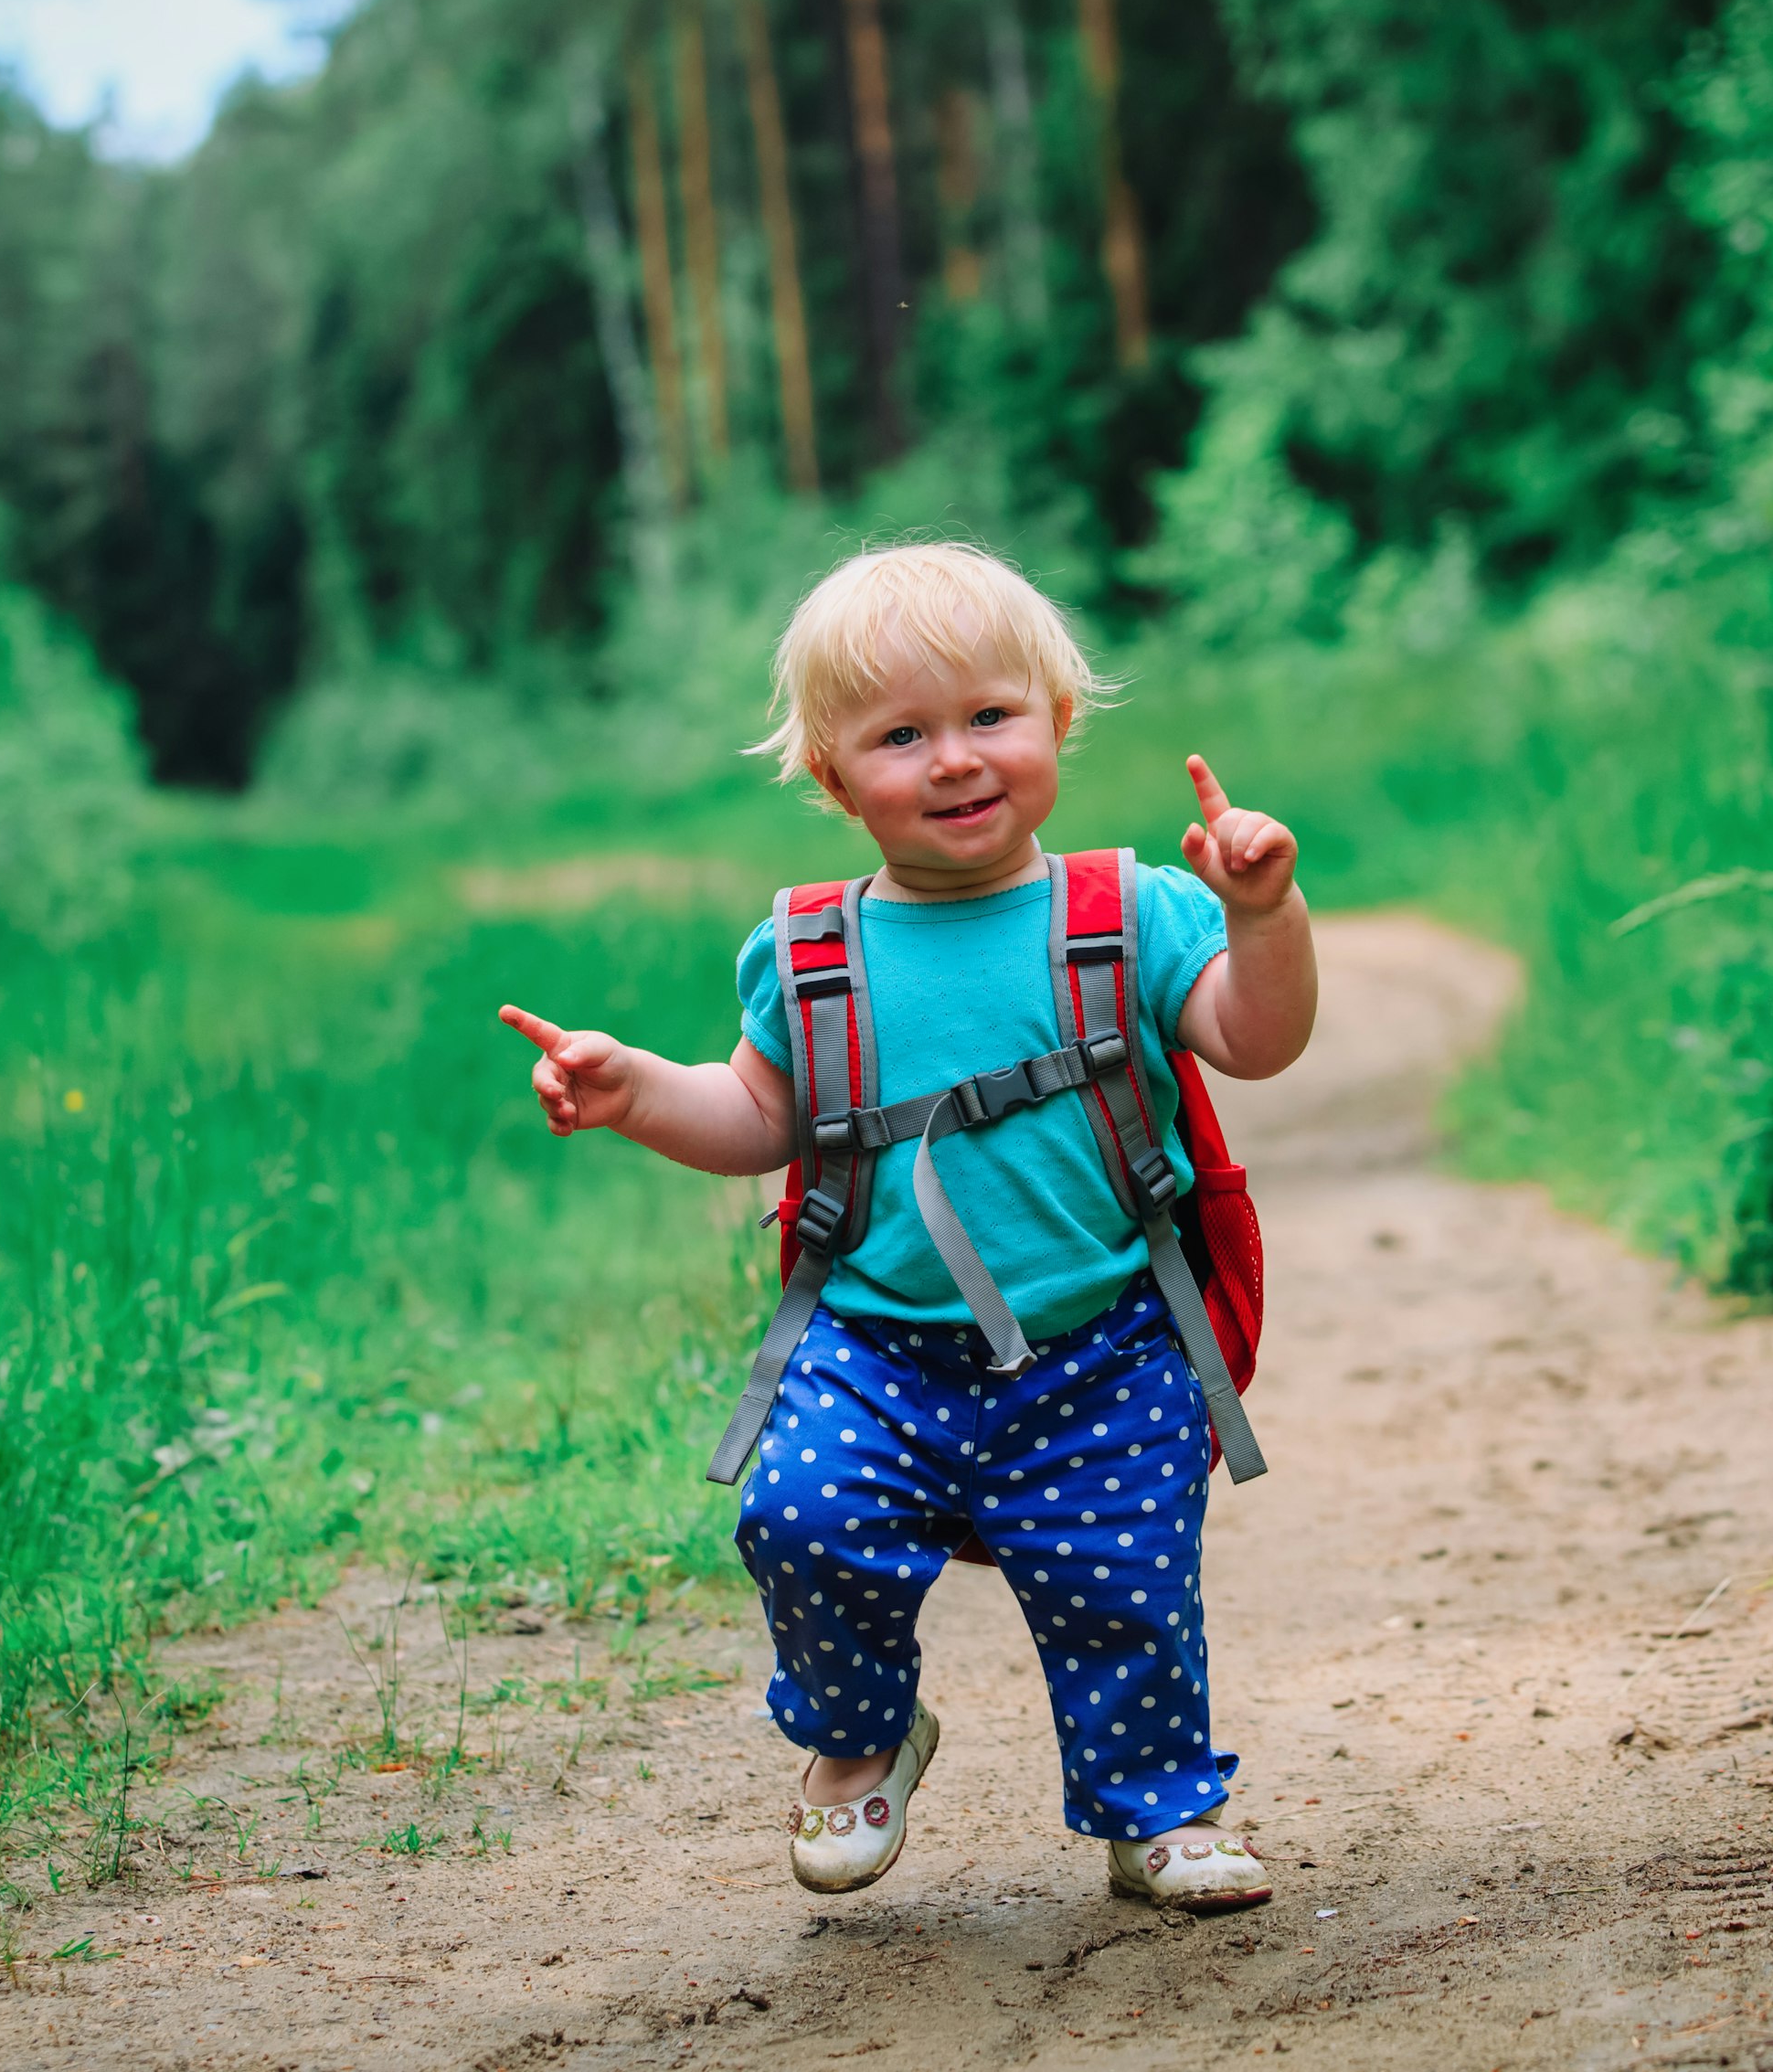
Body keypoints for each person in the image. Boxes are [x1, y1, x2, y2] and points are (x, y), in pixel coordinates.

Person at [498, 540, 1317, 1912]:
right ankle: (861, 1734)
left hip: (1103, 1343)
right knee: (800, 1515)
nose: (954, 760)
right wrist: (634, 1089)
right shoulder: (811, 953)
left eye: (990, 716)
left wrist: (1265, 911)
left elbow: (1258, 1038)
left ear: (1055, 722)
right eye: (901, 735)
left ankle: (1160, 1810)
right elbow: (758, 1115)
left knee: (1122, 1586)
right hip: (875, 1346)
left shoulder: (1128, 914)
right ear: (833, 778)